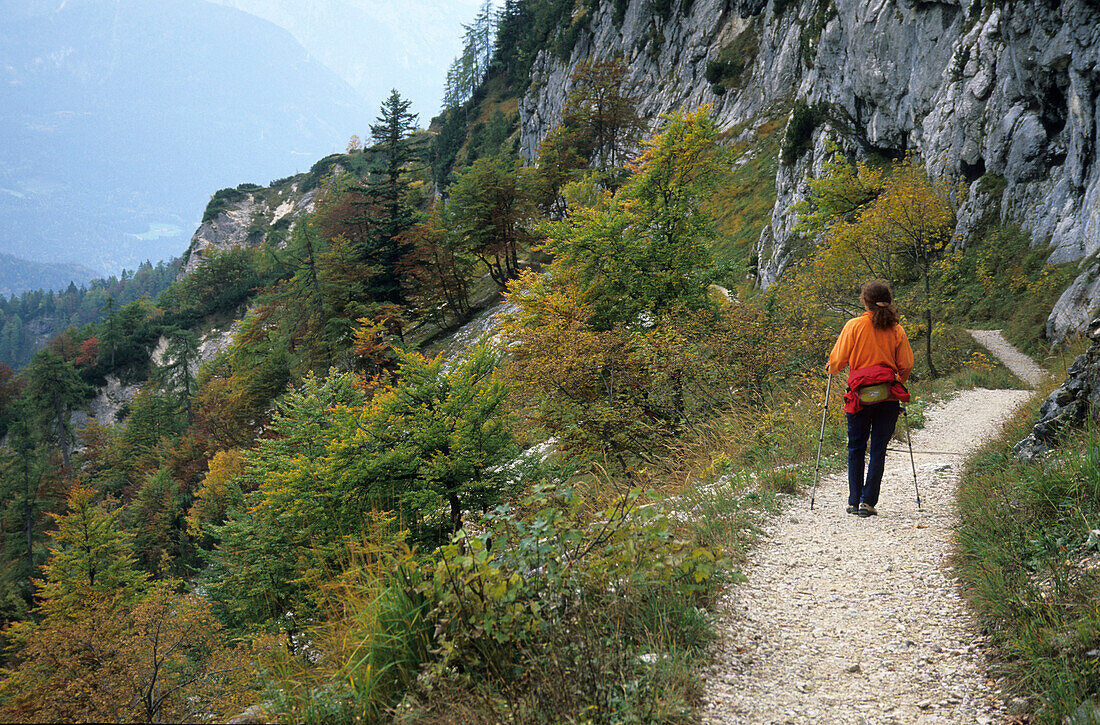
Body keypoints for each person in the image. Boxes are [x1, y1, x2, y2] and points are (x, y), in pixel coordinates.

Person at [827, 280, 914, 517]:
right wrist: (897, 382)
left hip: (859, 397)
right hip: (887, 396)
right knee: (878, 448)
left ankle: (854, 501)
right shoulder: (896, 329)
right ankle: (868, 502)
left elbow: (836, 362)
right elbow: (905, 365)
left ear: (865, 302)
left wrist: (831, 367)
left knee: (856, 446)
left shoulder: (854, 326)